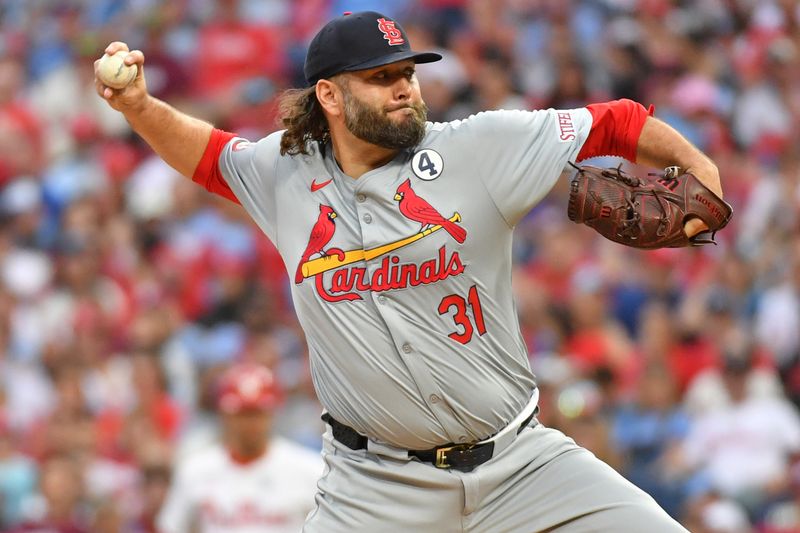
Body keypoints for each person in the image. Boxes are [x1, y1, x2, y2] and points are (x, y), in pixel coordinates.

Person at [96, 11, 723, 532]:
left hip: (522, 467)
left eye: (408, 73)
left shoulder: (478, 147)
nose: (405, 88)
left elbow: (616, 122)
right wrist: (139, 105)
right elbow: (208, 154)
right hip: (373, 490)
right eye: (381, 77)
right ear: (330, 95)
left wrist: (698, 164)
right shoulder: (284, 174)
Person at [156, 362, 322, 533]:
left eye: (256, 413)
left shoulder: (308, 469)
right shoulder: (195, 470)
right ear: (223, 414)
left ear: (272, 413)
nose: (249, 423)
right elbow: (171, 526)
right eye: (241, 414)